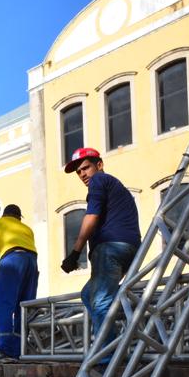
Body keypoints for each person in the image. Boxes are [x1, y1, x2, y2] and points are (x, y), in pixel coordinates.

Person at [61, 148, 142, 352]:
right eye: (78, 172)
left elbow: (91, 217)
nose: (82, 175)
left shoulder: (99, 181)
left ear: (99, 165)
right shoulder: (114, 186)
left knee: (100, 301)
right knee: (89, 294)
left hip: (111, 247)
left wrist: (75, 252)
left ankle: (107, 358)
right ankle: (122, 338)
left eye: (86, 168)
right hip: (127, 248)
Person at [0, 204, 39, 361]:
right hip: (32, 263)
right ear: (19, 217)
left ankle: (5, 350)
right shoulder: (27, 229)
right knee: (24, 306)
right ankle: (19, 350)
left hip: (12, 259)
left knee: (3, 304)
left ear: (4, 215)